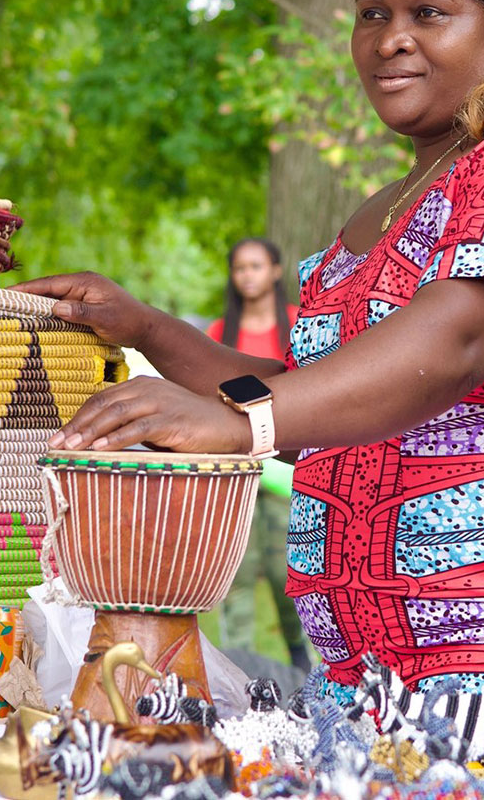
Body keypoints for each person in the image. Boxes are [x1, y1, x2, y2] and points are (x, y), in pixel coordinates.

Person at [15, 0, 484, 745]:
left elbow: (454, 342)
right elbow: (314, 404)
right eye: (371, 13)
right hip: (369, 670)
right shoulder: (383, 211)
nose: (390, 38)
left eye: (429, 12)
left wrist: (238, 425)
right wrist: (149, 331)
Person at [206, 238, 311, 671]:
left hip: (286, 471)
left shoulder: (296, 323)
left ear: (274, 270)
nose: (248, 274)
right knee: (238, 574)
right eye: (240, 268)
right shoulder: (219, 333)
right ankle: (240, 667)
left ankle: (304, 664)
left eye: (256, 266)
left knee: (289, 572)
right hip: (238, 470)